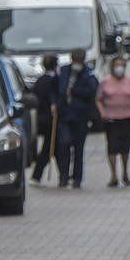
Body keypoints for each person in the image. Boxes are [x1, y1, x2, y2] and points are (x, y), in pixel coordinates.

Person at [96, 55, 130, 187]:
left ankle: (125, 173)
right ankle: (113, 175)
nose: (119, 68)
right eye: (117, 65)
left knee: (125, 147)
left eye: (122, 65)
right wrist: (102, 112)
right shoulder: (105, 81)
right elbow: (99, 99)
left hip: (127, 117)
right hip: (111, 118)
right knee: (112, 146)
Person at [55, 49, 99, 189]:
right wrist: (55, 103)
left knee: (78, 149)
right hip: (64, 115)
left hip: (80, 116)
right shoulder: (63, 71)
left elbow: (91, 92)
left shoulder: (88, 73)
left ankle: (77, 178)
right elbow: (56, 88)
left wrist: (74, 91)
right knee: (63, 146)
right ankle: (63, 176)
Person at [29, 54, 59, 184]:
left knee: (52, 148)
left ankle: (63, 175)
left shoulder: (40, 80)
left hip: (42, 117)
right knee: (49, 148)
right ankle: (37, 175)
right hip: (52, 119)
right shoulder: (54, 80)